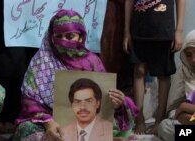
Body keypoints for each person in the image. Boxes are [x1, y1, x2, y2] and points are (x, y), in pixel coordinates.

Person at [12, 9, 138, 141]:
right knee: (28, 130)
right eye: (58, 36)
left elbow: (105, 100)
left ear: (81, 37)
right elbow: (30, 101)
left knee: (124, 132)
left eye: (70, 36)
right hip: (49, 123)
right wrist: (49, 123)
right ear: (51, 36)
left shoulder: (92, 62)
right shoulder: (41, 61)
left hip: (89, 123)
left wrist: (118, 101)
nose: (63, 41)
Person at [123, 0, 186, 134]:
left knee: (164, 74)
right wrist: (126, 31)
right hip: (138, 29)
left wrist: (179, 30)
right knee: (139, 71)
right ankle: (139, 118)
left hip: (163, 30)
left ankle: (159, 119)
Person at [158, 30, 195, 141]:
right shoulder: (183, 72)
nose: (193, 60)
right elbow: (174, 111)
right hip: (190, 119)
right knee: (165, 127)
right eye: (189, 55)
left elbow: (182, 108)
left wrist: (185, 108)